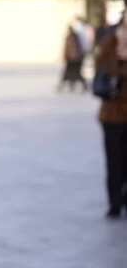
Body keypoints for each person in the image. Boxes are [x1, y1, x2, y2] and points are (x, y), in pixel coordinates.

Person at [95, 13, 127, 219]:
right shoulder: (109, 44)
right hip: (113, 115)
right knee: (114, 161)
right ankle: (115, 202)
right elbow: (101, 75)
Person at [58, 26, 88, 92]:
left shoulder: (73, 37)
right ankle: (70, 86)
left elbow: (73, 49)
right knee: (70, 73)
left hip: (74, 59)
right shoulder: (73, 37)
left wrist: (72, 56)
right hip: (73, 58)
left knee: (74, 73)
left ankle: (66, 87)